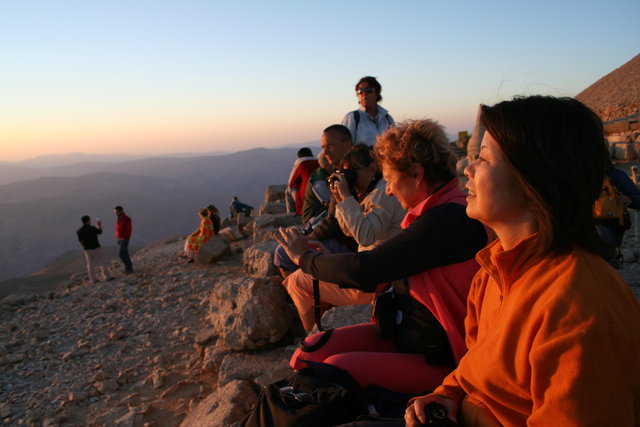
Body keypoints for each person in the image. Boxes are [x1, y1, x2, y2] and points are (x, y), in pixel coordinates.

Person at [405, 96, 640, 426]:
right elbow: (474, 369)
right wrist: (448, 394)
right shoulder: (493, 273)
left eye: (483, 159)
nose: (467, 169)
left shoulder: (581, 313)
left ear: (533, 178)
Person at [275, 119, 488, 394]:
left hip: (447, 361)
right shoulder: (428, 215)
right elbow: (380, 274)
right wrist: (324, 258)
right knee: (308, 354)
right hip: (407, 335)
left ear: (416, 173)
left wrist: (303, 258)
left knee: (333, 371)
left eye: (389, 180)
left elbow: (366, 268)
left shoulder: (449, 219)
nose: (387, 189)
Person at [282, 143, 406, 332]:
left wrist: (348, 198)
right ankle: (327, 327)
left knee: (298, 280)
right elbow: (350, 231)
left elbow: (365, 237)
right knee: (317, 269)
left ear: (372, 168)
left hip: (377, 283)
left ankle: (312, 340)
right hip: (376, 272)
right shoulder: (374, 191)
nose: (350, 178)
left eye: (353, 171)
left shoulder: (383, 194)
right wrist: (341, 200)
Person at [274, 125, 357, 277]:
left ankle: (309, 293)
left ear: (348, 144)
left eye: (330, 146)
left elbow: (332, 223)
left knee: (282, 253)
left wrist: (306, 239)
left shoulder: (347, 176)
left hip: (351, 247)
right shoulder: (344, 173)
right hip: (350, 241)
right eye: (323, 147)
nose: (325, 152)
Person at [595, 159, 640, 267]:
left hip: (607, 225)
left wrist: (631, 200)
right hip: (596, 226)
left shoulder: (615, 176)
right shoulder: (616, 175)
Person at [341, 76, 395, 146]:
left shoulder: (387, 119)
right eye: (360, 91)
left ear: (377, 93)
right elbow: (344, 146)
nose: (364, 94)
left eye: (368, 90)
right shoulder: (352, 118)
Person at [76, 215, 113, 283]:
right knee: (102, 261)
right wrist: (99, 225)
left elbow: (81, 241)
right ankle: (107, 277)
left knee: (90, 264)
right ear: (88, 220)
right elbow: (100, 232)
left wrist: (85, 246)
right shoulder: (92, 228)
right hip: (95, 247)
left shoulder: (79, 231)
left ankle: (93, 280)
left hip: (87, 249)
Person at [301, 150, 332, 226]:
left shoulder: (327, 175)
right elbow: (330, 201)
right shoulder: (319, 180)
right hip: (314, 219)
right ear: (327, 164)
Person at [285, 147, 320, 215]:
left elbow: (291, 183)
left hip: (307, 197)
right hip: (321, 196)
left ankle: (291, 215)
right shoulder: (319, 162)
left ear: (299, 156)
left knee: (288, 190)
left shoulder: (301, 164)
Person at [113, 205, 133, 274]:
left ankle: (128, 268)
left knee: (121, 253)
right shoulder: (119, 218)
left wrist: (125, 237)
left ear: (121, 211)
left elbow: (128, 229)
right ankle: (129, 268)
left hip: (124, 239)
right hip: (119, 238)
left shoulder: (126, 219)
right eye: (115, 212)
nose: (116, 213)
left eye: (117, 211)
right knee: (125, 254)